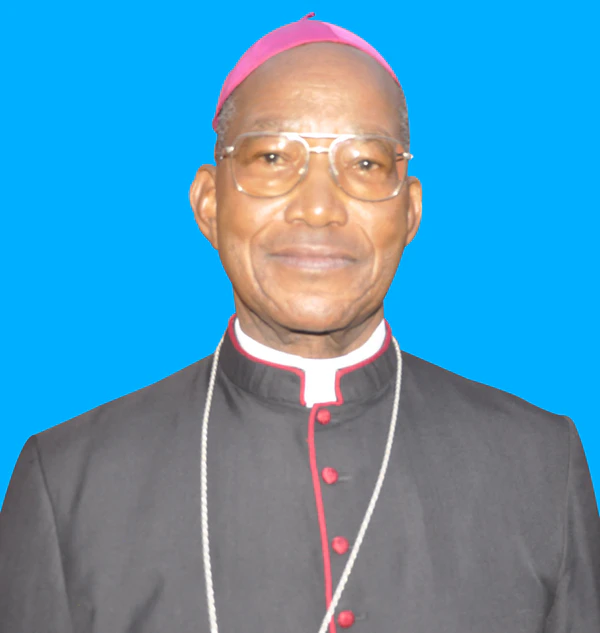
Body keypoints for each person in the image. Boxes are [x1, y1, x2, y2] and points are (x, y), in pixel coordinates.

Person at [1, 13, 598, 633]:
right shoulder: (67, 482)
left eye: (364, 163)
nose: (318, 208)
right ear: (209, 204)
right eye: (272, 157)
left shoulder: (540, 465)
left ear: (410, 212)